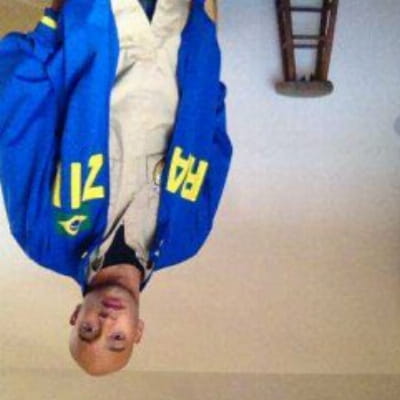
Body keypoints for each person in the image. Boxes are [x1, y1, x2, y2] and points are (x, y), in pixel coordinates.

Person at [0, 0, 232, 376]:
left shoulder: (42, 237)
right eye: (117, 338)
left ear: (75, 316)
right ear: (137, 332)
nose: (106, 322)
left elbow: (18, 126)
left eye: (89, 331)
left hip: (101, 30)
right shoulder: (187, 237)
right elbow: (215, 143)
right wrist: (206, 58)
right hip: (179, 37)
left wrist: (50, 27)